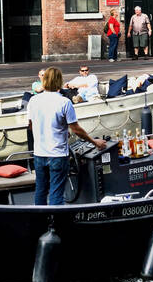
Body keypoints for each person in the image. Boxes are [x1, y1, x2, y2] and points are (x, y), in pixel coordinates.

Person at [28, 66, 106, 205]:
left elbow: (32, 125)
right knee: (56, 193)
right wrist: (95, 142)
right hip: (57, 154)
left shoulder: (33, 101)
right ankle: (57, 224)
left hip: (39, 154)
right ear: (59, 81)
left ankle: (40, 222)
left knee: (40, 191)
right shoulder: (64, 102)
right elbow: (76, 129)